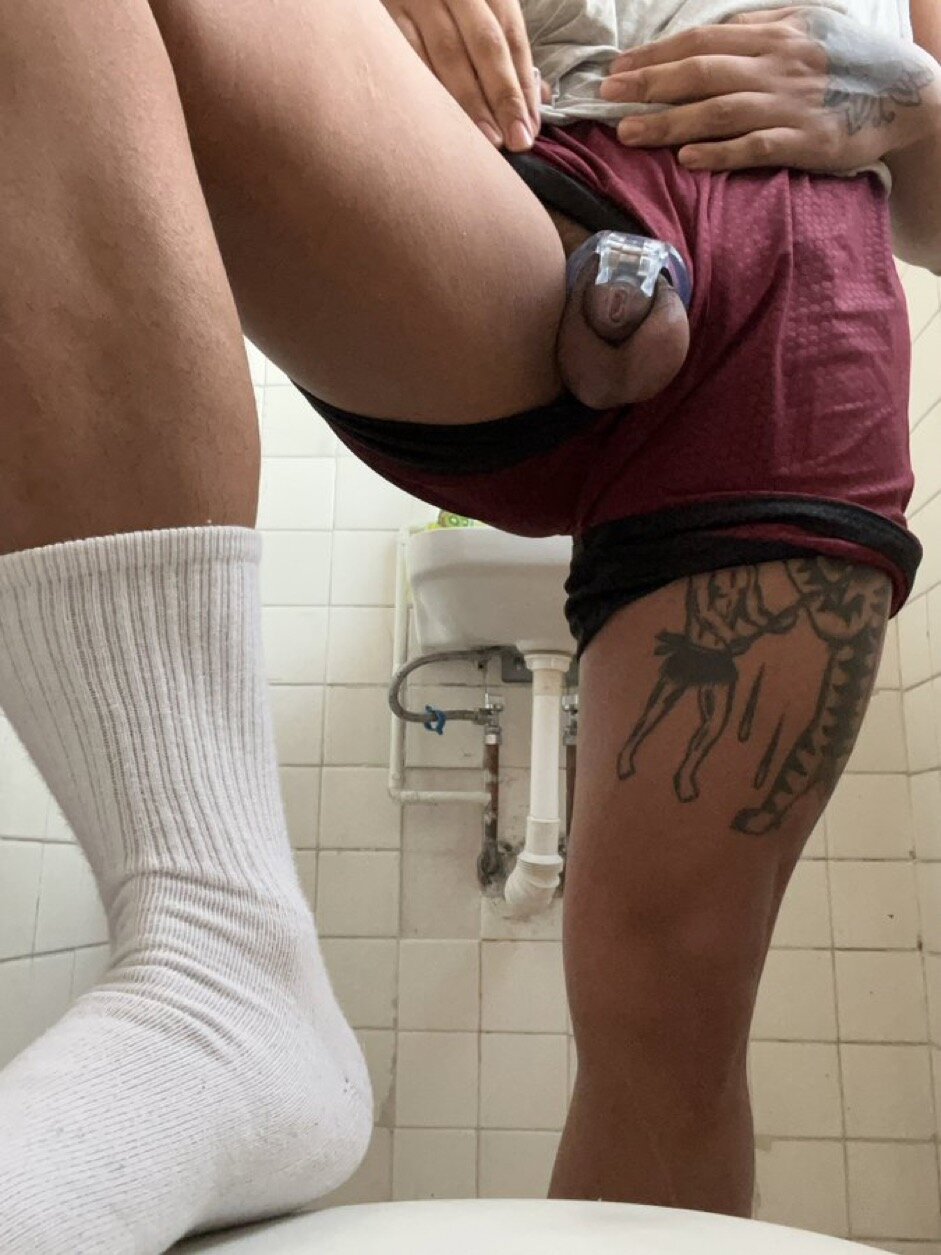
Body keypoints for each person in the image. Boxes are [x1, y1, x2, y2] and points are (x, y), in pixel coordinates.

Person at [0, 3, 937, 1253]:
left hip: (798, 282)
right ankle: (213, 948)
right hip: (513, 209)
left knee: (669, 1017)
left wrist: (912, 100)